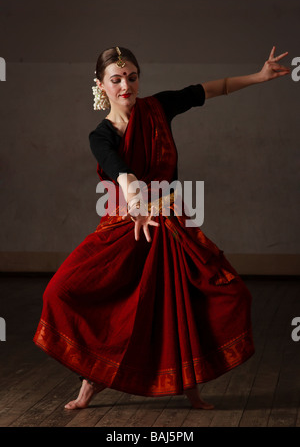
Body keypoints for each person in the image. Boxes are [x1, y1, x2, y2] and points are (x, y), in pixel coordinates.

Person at [33, 46, 290, 410]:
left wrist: (259, 76)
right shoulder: (101, 136)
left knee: (198, 300)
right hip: (125, 225)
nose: (126, 86)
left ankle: (190, 385)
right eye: (116, 79)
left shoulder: (158, 108)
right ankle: (93, 380)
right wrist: (136, 203)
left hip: (170, 223)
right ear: (100, 85)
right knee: (62, 291)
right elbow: (122, 172)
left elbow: (209, 90)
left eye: (132, 77)